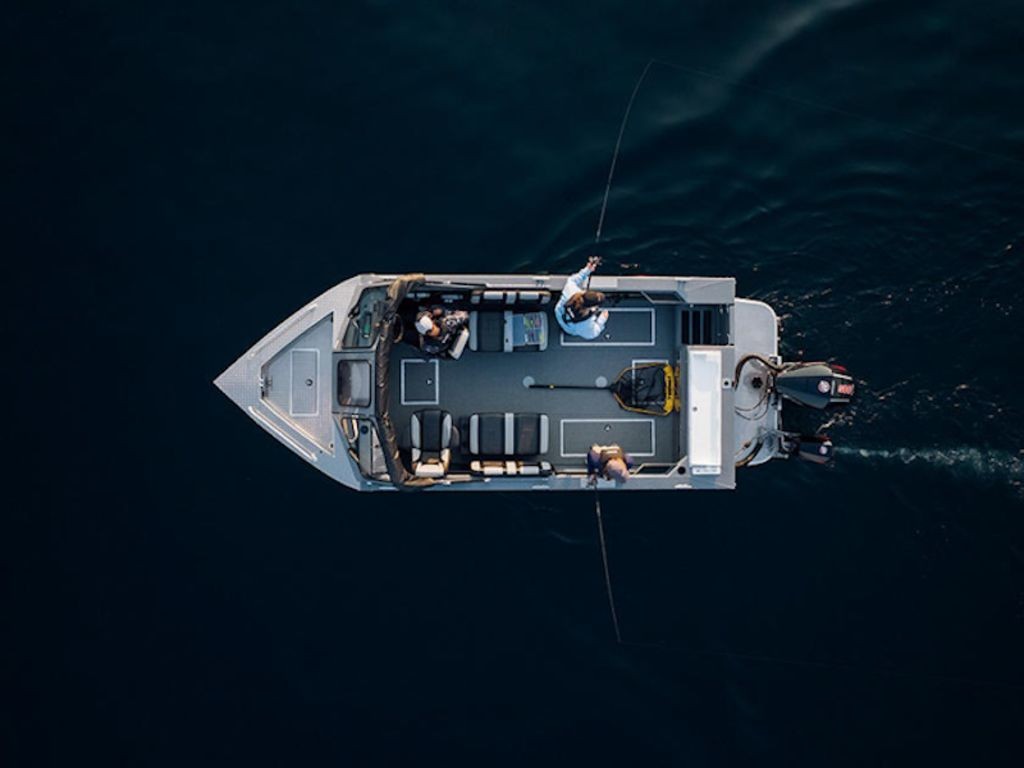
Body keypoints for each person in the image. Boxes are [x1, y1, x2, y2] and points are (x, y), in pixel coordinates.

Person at [556, 256, 609, 340]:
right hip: (569, 328)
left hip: (558, 312)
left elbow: (572, 280)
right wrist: (601, 320)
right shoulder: (585, 324)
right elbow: (593, 334)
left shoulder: (571, 289)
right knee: (572, 331)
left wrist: (587, 270)